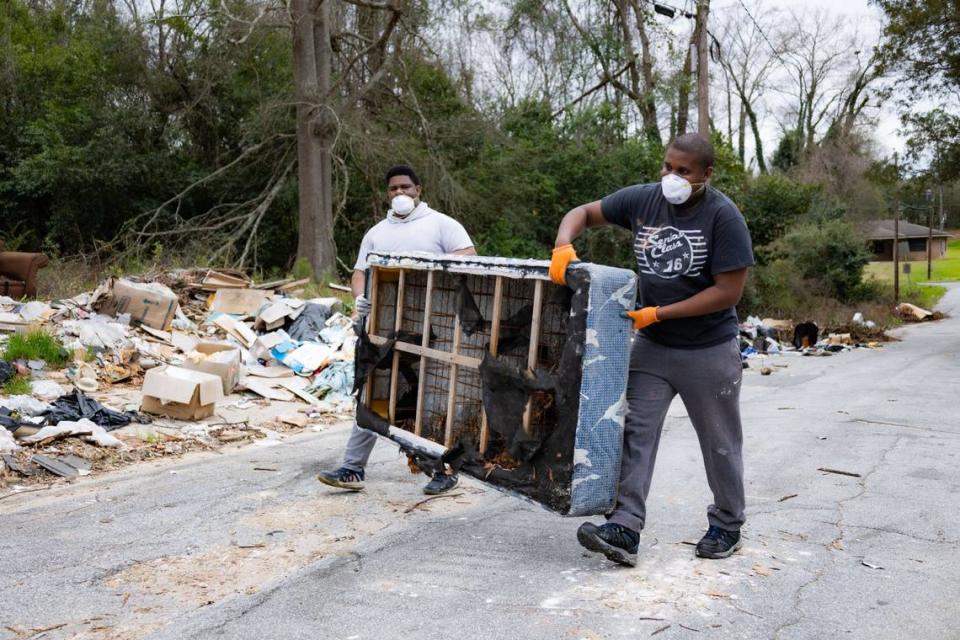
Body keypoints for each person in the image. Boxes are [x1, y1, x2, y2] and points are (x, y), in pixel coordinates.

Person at [548, 134, 754, 566]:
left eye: (684, 171)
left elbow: (728, 292)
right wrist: (564, 244)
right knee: (634, 431)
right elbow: (584, 212)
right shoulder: (644, 201)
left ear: (705, 175)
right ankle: (624, 526)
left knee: (719, 442)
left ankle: (727, 523)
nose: (672, 177)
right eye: (667, 167)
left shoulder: (723, 217)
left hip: (708, 349)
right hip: (654, 346)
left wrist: (659, 313)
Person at [318, 164, 477, 495]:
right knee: (373, 392)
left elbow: (469, 259)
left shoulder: (442, 225)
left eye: (406, 187)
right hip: (383, 330)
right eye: (393, 189)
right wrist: (360, 297)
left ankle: (442, 469)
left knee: (426, 400)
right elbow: (360, 272)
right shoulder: (377, 232)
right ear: (387, 194)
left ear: (419, 190)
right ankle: (352, 468)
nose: (400, 193)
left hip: (431, 330)